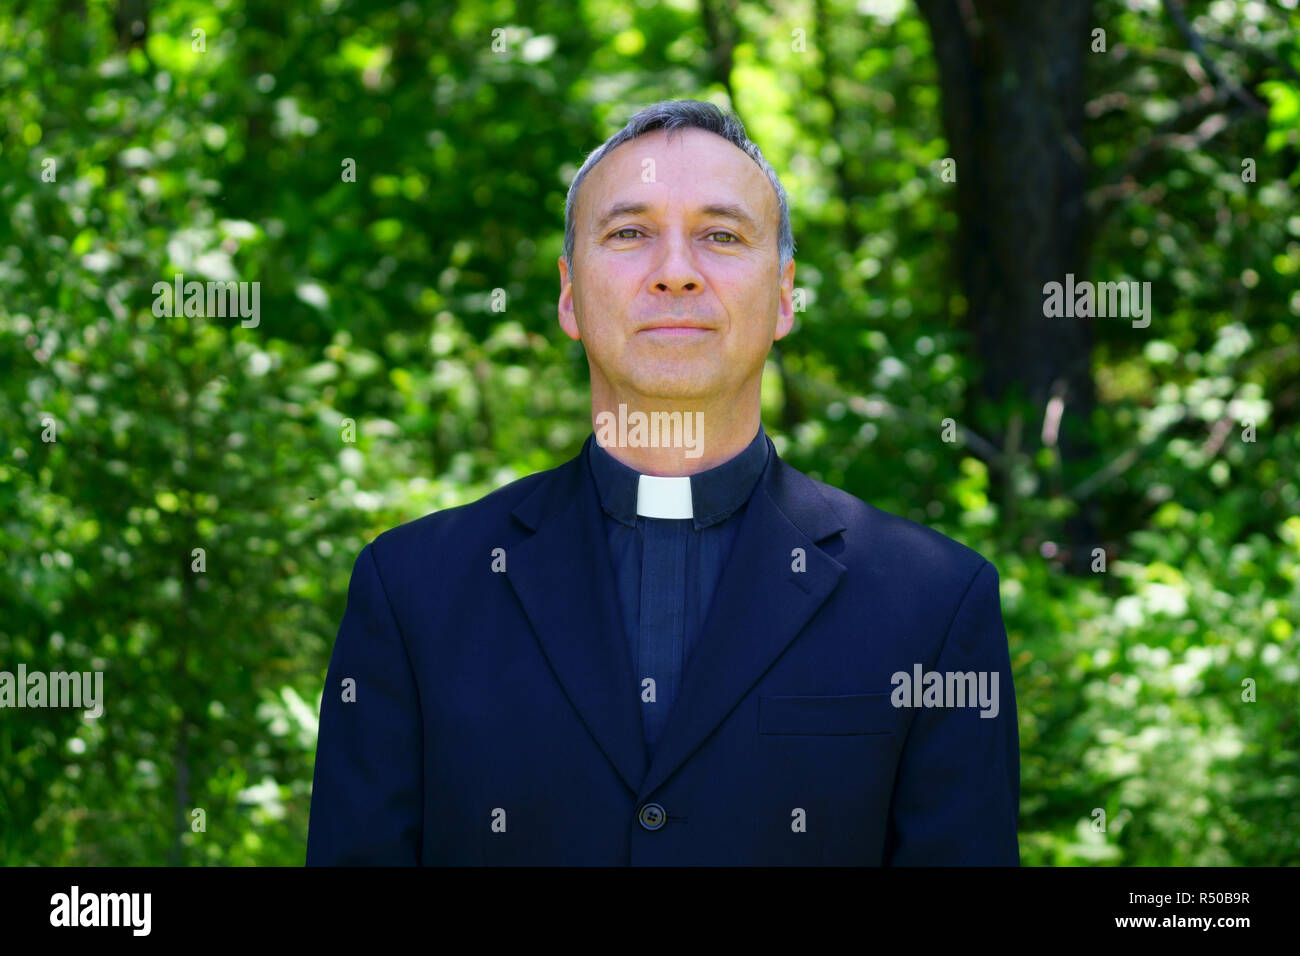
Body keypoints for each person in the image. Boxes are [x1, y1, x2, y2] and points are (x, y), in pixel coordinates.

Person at [306, 99, 1019, 865]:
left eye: (720, 236)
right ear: (570, 294)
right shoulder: (414, 589)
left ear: (783, 296)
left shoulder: (935, 603)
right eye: (629, 234)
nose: (676, 273)